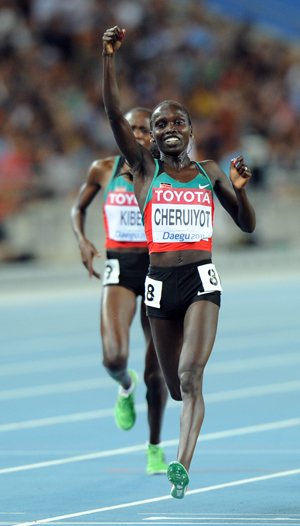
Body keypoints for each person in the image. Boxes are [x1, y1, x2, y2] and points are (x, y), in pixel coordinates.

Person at [102, 26, 256, 499]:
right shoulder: (143, 171)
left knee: (191, 376)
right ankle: (166, 419)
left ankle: (180, 466)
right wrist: (108, 60)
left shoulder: (210, 173)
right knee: (172, 387)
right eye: (161, 125)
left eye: (177, 123)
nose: (169, 130)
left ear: (191, 130)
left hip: (201, 282)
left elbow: (247, 225)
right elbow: (113, 113)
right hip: (158, 283)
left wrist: (241, 192)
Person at [70, 106, 169, 475]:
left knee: (156, 372)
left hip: (157, 269)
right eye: (134, 129)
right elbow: (77, 209)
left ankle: (155, 447)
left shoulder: (163, 172)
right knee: (113, 357)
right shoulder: (103, 169)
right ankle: (124, 387)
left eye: (146, 130)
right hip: (119, 267)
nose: (140, 135)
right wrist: (81, 239)